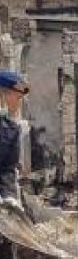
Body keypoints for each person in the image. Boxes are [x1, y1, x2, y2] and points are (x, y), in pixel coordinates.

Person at [0, 70, 30, 212]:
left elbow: (7, 167)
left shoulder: (11, 126)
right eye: (17, 98)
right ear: (4, 96)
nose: (18, 103)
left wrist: (9, 196)